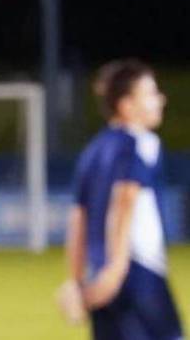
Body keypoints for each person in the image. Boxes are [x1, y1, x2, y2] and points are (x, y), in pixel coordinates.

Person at [59, 59, 183, 340]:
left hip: (100, 273)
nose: (160, 100)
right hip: (137, 271)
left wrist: (76, 281)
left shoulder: (92, 151)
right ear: (127, 106)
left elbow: (78, 218)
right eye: (151, 94)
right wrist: (116, 269)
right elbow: (124, 199)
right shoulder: (140, 142)